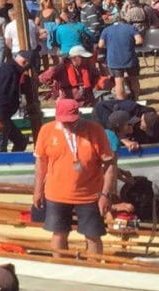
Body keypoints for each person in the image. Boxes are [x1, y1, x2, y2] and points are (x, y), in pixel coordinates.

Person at [32, 97, 118, 255]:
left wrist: (106, 194)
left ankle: (94, 268)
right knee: (59, 234)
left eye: (71, 121)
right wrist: (38, 190)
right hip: (56, 193)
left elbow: (110, 164)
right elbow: (41, 163)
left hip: (90, 194)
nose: (68, 124)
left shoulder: (95, 130)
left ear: (78, 115)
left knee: (93, 236)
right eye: (64, 121)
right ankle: (60, 267)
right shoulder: (46, 130)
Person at [97, 10, 141, 101]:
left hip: (114, 58)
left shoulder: (106, 30)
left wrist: (109, 46)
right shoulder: (130, 28)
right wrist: (131, 44)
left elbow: (100, 45)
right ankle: (136, 98)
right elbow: (139, 40)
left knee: (118, 80)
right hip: (130, 57)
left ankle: (121, 100)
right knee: (133, 79)